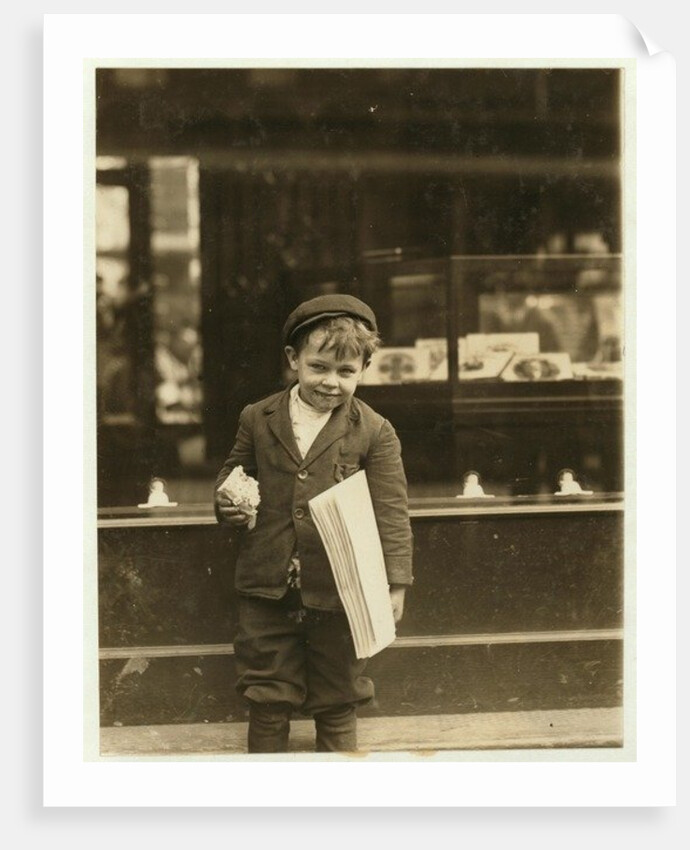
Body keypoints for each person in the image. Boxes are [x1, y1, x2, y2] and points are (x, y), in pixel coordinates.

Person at [214, 294, 414, 754]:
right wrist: (228, 501)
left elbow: (392, 511)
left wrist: (395, 583)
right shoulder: (258, 418)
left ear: (364, 368)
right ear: (293, 360)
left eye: (346, 373)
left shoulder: (375, 430)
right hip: (267, 585)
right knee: (267, 694)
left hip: (342, 588)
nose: (331, 382)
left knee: (339, 694)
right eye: (319, 367)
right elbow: (233, 473)